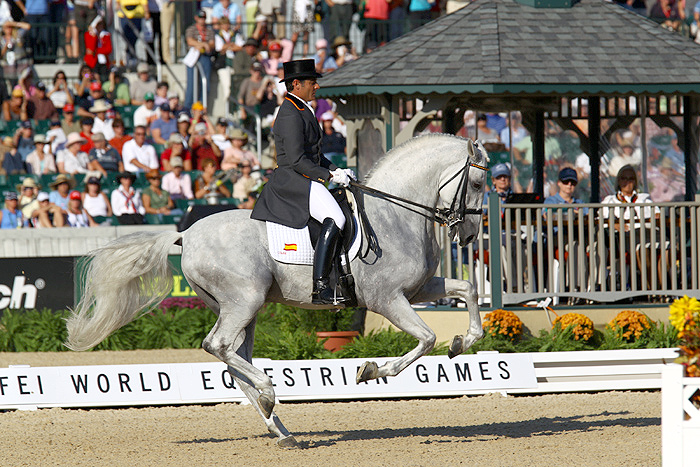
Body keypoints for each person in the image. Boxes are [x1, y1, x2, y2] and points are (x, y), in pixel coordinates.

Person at [251, 59, 354, 305]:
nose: (316, 86)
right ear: (296, 84)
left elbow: (315, 155)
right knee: (336, 218)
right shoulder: (289, 113)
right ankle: (320, 287)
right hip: (293, 180)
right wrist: (329, 176)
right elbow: (297, 160)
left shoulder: (301, 108)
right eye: (312, 82)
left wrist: (336, 169)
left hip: (304, 176)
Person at [184, 11, 215, 110]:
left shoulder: (209, 31)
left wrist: (202, 45)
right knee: (191, 84)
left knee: (205, 83)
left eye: (204, 18)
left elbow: (212, 44)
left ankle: (202, 106)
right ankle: (188, 107)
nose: (202, 20)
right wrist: (203, 44)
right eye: (200, 18)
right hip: (193, 56)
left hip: (205, 56)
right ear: (196, 18)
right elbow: (190, 41)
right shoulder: (191, 29)